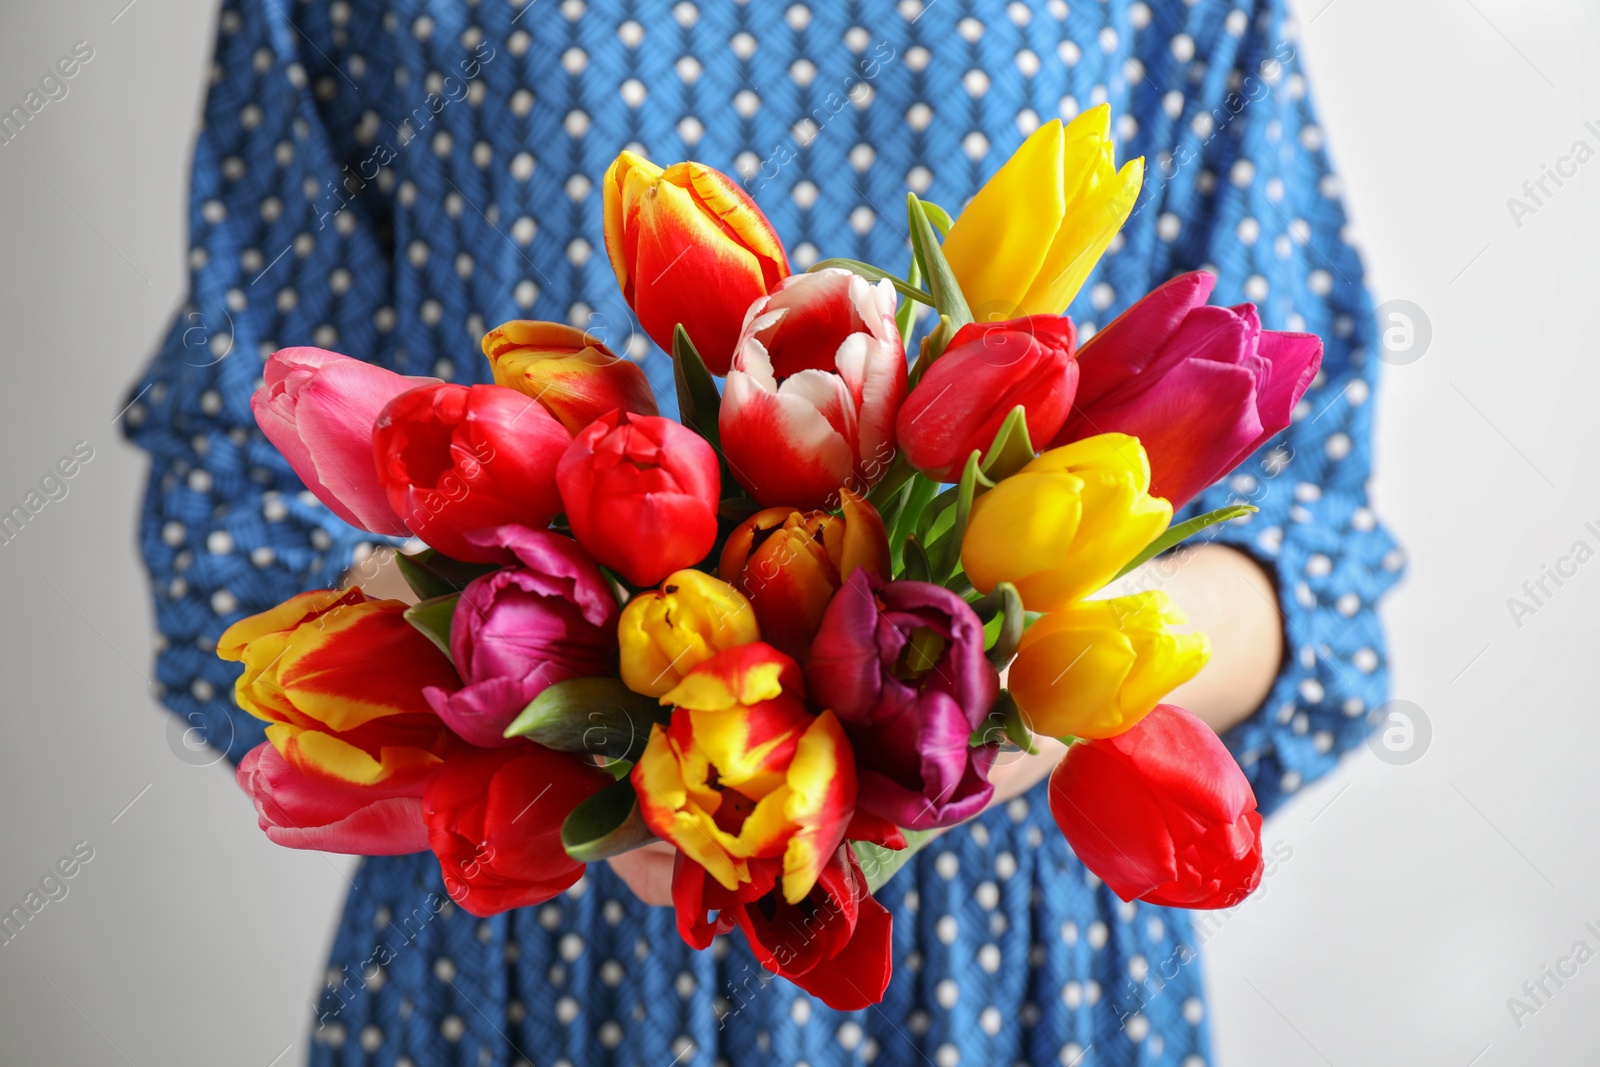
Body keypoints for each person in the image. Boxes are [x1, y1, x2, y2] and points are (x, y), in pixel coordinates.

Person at [122, 1, 1403, 1063]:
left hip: (1019, 986)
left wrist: (1029, 696)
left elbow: (1311, 540)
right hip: (525, 954)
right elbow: (236, 506)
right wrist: (576, 753)